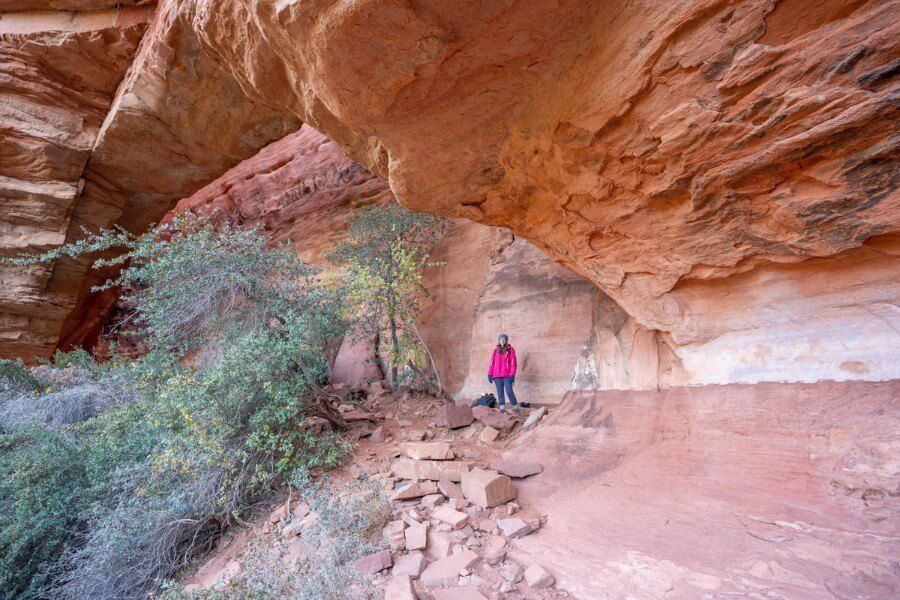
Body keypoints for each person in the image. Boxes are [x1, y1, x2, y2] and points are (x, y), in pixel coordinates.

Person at [487, 333, 519, 414]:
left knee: (509, 392)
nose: (502, 341)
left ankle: (516, 408)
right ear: (499, 340)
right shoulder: (495, 351)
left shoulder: (510, 350)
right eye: (501, 339)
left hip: (507, 375)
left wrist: (512, 374)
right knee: (500, 392)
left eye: (504, 339)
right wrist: (490, 374)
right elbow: (492, 363)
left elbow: (513, 364)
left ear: (506, 340)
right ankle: (502, 409)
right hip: (497, 375)